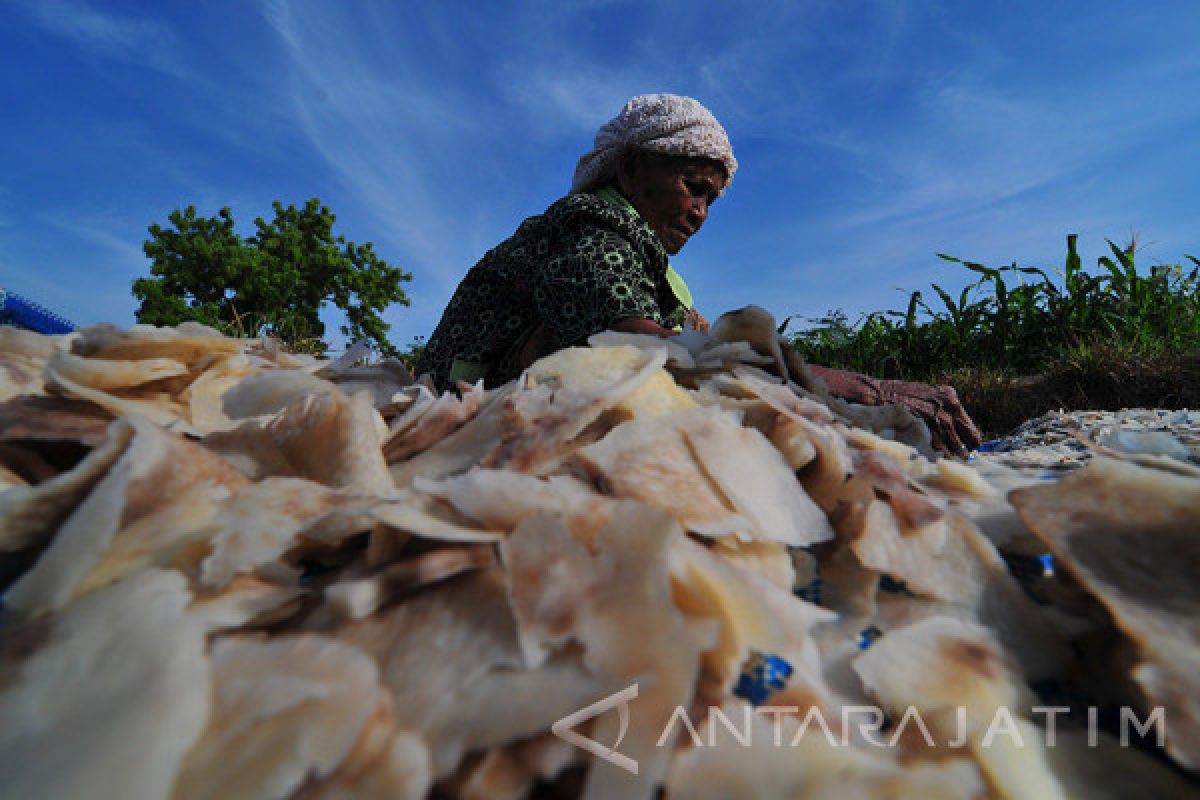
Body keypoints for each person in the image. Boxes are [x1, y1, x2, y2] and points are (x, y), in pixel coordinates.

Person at [416, 94, 981, 455]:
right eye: (693, 186)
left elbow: (704, 342)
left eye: (712, 199)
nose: (700, 213)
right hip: (459, 410)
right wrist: (872, 393)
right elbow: (652, 350)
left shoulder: (651, 266)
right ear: (633, 168)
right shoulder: (587, 228)